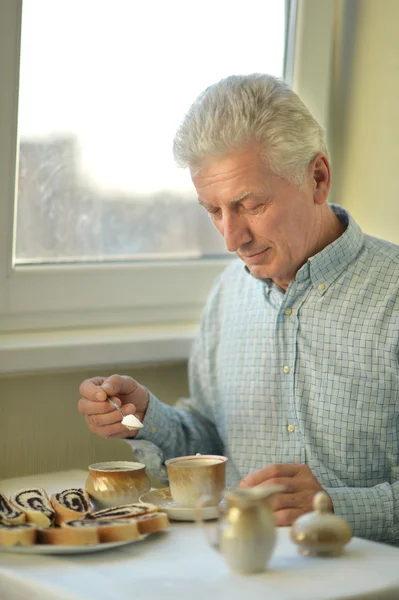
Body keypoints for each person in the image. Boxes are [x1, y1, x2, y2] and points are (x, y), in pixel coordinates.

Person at [78, 74, 399, 545]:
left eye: (250, 204)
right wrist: (141, 416)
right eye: (213, 211)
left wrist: (336, 506)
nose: (231, 239)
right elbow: (207, 443)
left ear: (317, 177)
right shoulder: (228, 294)